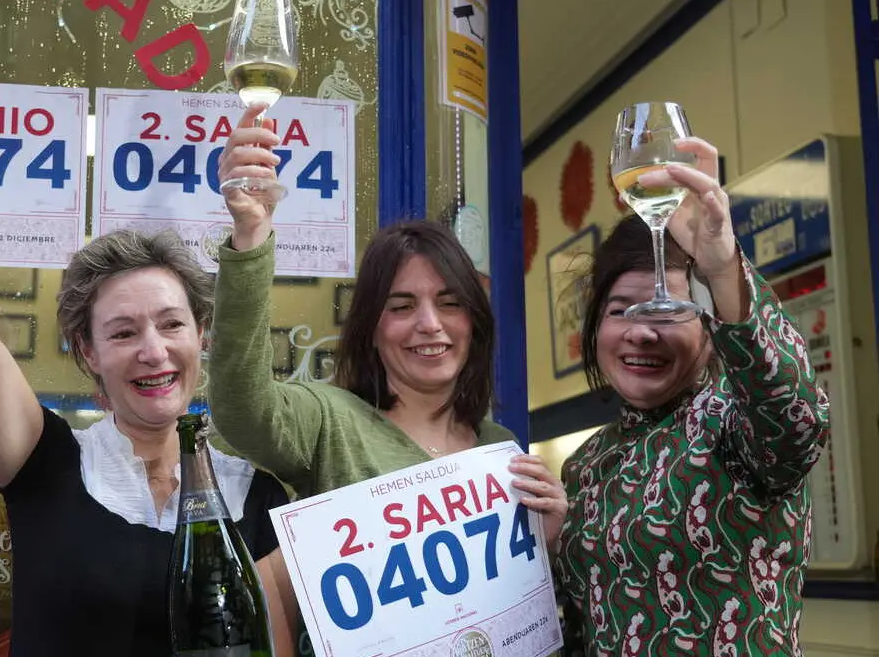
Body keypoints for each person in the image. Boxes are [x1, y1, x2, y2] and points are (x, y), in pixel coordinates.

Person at [0, 45, 296, 656]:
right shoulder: (46, 463)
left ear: (202, 337)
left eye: (171, 325)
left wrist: (252, 228)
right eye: (123, 333)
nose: (152, 350)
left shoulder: (256, 495)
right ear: (88, 352)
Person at [205, 104, 568, 648]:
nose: (429, 324)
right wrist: (251, 235)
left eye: (449, 303)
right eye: (401, 307)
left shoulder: (500, 449)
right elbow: (240, 404)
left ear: (474, 319)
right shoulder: (331, 420)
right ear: (371, 328)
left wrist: (549, 538)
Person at [553, 137, 830, 655]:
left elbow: (797, 415)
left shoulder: (737, 421)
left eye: (667, 310)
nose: (641, 331)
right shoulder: (585, 463)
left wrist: (722, 270)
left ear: (709, 326)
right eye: (620, 310)